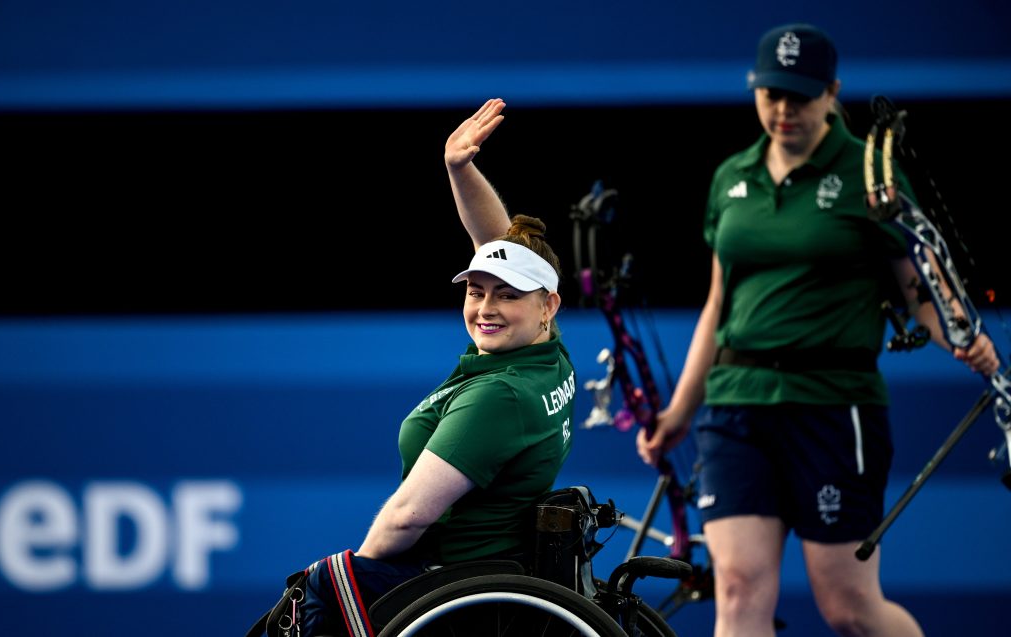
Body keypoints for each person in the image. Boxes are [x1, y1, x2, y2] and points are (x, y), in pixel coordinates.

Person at [635, 23, 999, 637]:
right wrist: (679, 410)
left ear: (832, 92)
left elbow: (923, 294)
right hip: (737, 409)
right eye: (771, 94)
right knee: (737, 588)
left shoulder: (871, 176)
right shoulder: (731, 177)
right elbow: (719, 303)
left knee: (849, 608)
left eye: (799, 96)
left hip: (834, 409)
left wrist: (965, 339)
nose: (783, 110)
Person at [299, 98, 576, 636]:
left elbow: (409, 515)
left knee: (328, 581)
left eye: (505, 295)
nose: (485, 308)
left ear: (548, 305)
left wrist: (361, 575)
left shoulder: (501, 396)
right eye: (476, 291)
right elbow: (499, 248)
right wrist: (460, 169)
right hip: (490, 573)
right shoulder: (545, 357)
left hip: (451, 586)